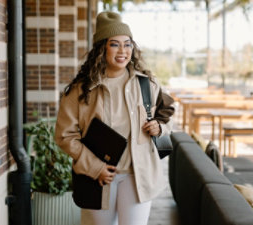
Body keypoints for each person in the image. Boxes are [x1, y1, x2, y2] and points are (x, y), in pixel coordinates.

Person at [55, 11, 174, 225]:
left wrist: (160, 127)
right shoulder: (80, 91)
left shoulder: (147, 85)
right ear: (102, 49)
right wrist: (95, 167)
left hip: (137, 177)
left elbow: (167, 115)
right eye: (115, 44)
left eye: (128, 44)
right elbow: (65, 136)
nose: (123, 51)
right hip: (97, 179)